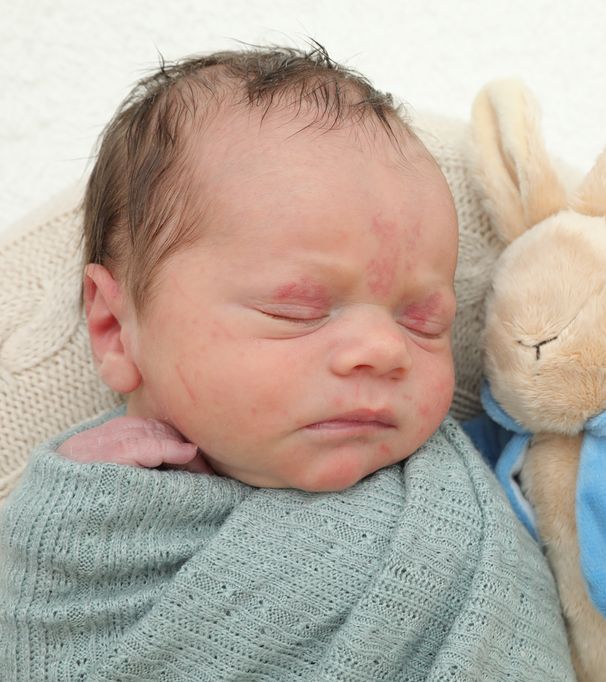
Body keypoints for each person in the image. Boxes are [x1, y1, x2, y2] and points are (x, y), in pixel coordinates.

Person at [0, 44, 573, 680]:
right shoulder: (77, 518)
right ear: (115, 329)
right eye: (296, 310)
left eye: (423, 321)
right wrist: (70, 516)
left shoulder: (451, 518)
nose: (384, 350)